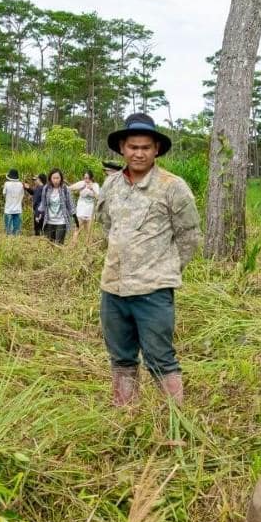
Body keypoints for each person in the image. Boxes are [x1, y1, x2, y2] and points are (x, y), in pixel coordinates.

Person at [95, 113, 201, 405]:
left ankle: (175, 419)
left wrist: (163, 270)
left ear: (156, 149)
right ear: (122, 148)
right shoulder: (111, 186)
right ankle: (125, 414)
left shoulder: (172, 186)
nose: (138, 153)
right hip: (113, 288)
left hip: (153, 291)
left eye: (145, 147)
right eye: (132, 147)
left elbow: (189, 236)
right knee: (121, 357)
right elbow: (107, 227)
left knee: (160, 357)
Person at [37, 168, 73, 245]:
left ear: (61, 178)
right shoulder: (46, 188)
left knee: (59, 244)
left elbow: (70, 204)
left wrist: (75, 218)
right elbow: (43, 204)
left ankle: (59, 256)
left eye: (57, 178)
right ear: (50, 178)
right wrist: (39, 214)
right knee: (49, 244)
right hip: (49, 220)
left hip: (61, 221)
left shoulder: (65, 189)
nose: (56, 180)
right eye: (54, 178)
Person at [70, 169, 101, 243]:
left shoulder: (95, 185)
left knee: (89, 232)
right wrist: (78, 189)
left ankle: (88, 249)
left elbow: (98, 197)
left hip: (90, 212)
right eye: (85, 178)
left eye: (88, 178)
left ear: (91, 177)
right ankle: (72, 247)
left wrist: (92, 189)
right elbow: (70, 188)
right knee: (77, 230)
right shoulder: (81, 183)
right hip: (81, 211)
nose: (86, 180)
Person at [2, 168, 24, 235]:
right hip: (18, 209)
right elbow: (22, 196)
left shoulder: (6, 184)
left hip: (8, 209)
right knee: (17, 231)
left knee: (8, 231)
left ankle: (9, 242)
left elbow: (4, 194)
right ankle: (16, 240)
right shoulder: (21, 184)